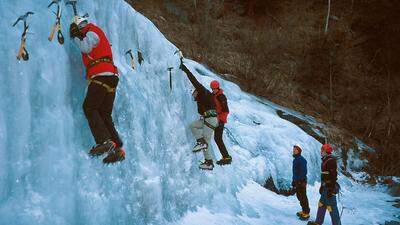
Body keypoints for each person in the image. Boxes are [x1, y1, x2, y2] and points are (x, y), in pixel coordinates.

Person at [69, 16, 125, 164]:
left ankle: (104, 141)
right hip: (111, 76)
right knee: (104, 113)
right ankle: (117, 148)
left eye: (81, 25)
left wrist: (75, 37)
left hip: (101, 74)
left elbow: (85, 47)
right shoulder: (92, 31)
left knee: (89, 107)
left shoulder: (92, 31)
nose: (82, 27)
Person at [180, 62, 218, 170]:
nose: (193, 96)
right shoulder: (201, 100)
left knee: (206, 141)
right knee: (193, 126)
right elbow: (204, 110)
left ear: (196, 91)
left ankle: (209, 162)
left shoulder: (202, 91)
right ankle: (201, 142)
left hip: (211, 119)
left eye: (193, 94)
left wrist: (185, 69)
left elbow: (193, 80)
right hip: (208, 119)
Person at [308, 144, 341, 225]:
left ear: (326, 151)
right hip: (325, 187)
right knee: (321, 204)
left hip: (330, 188)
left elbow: (333, 176)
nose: (321, 152)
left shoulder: (331, 161)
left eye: (322, 150)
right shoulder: (326, 160)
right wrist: (321, 186)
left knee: (331, 208)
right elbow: (324, 176)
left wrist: (331, 188)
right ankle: (318, 222)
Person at [210, 80, 232, 165]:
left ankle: (226, 157)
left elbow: (226, 110)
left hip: (220, 120)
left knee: (218, 138)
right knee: (217, 138)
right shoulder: (214, 95)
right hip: (216, 119)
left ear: (218, 88)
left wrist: (220, 119)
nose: (213, 90)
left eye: (214, 89)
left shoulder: (221, 97)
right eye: (212, 89)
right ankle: (226, 157)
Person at [292, 144, 310, 220]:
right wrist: (294, 180)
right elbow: (295, 172)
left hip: (301, 181)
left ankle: (306, 213)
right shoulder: (296, 159)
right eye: (293, 149)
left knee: (303, 196)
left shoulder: (301, 159)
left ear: (299, 151)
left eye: (296, 149)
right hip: (297, 181)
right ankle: (304, 210)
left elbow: (303, 171)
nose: (294, 150)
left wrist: (300, 181)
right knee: (299, 196)